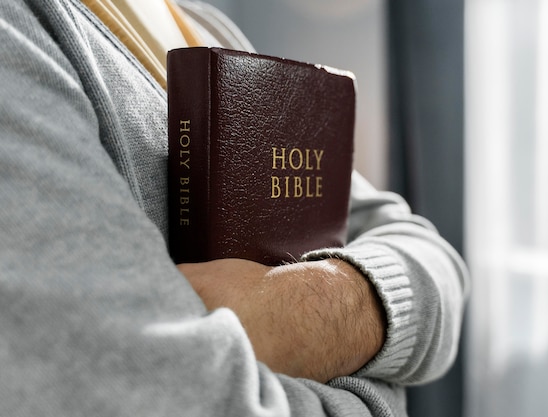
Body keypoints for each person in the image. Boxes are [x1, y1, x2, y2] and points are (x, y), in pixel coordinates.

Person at [0, 0, 469, 416]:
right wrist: (383, 384)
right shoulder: (17, 30)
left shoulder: (208, 30)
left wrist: (297, 314)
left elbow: (437, 261)